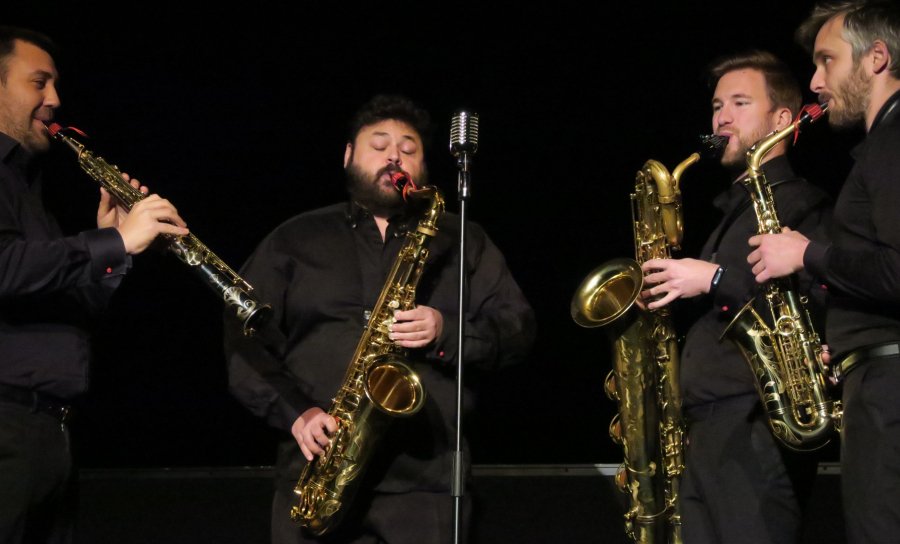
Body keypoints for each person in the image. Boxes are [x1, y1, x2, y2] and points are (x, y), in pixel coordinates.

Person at [224, 94, 534, 544]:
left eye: (409, 149)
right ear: (348, 155)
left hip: (426, 483)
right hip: (314, 476)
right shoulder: (294, 238)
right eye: (379, 144)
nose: (394, 155)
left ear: (423, 168)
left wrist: (445, 329)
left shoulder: (461, 237)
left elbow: (518, 328)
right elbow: (243, 340)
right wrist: (297, 413)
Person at [0, 26, 189, 544]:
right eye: (39, 83)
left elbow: (57, 305)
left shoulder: (25, 186)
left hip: (47, 434)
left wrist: (112, 245)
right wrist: (115, 243)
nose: (54, 100)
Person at [640, 51, 831, 544]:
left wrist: (713, 278)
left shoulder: (804, 203)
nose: (721, 117)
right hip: (705, 427)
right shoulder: (731, 210)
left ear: (782, 120)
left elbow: (808, 306)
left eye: (740, 103)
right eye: (717, 105)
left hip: (757, 425)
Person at [749, 2, 900, 542]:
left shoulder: (893, 138)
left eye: (826, 61)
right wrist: (849, 331)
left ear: (876, 58)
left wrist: (807, 255)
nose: (814, 82)